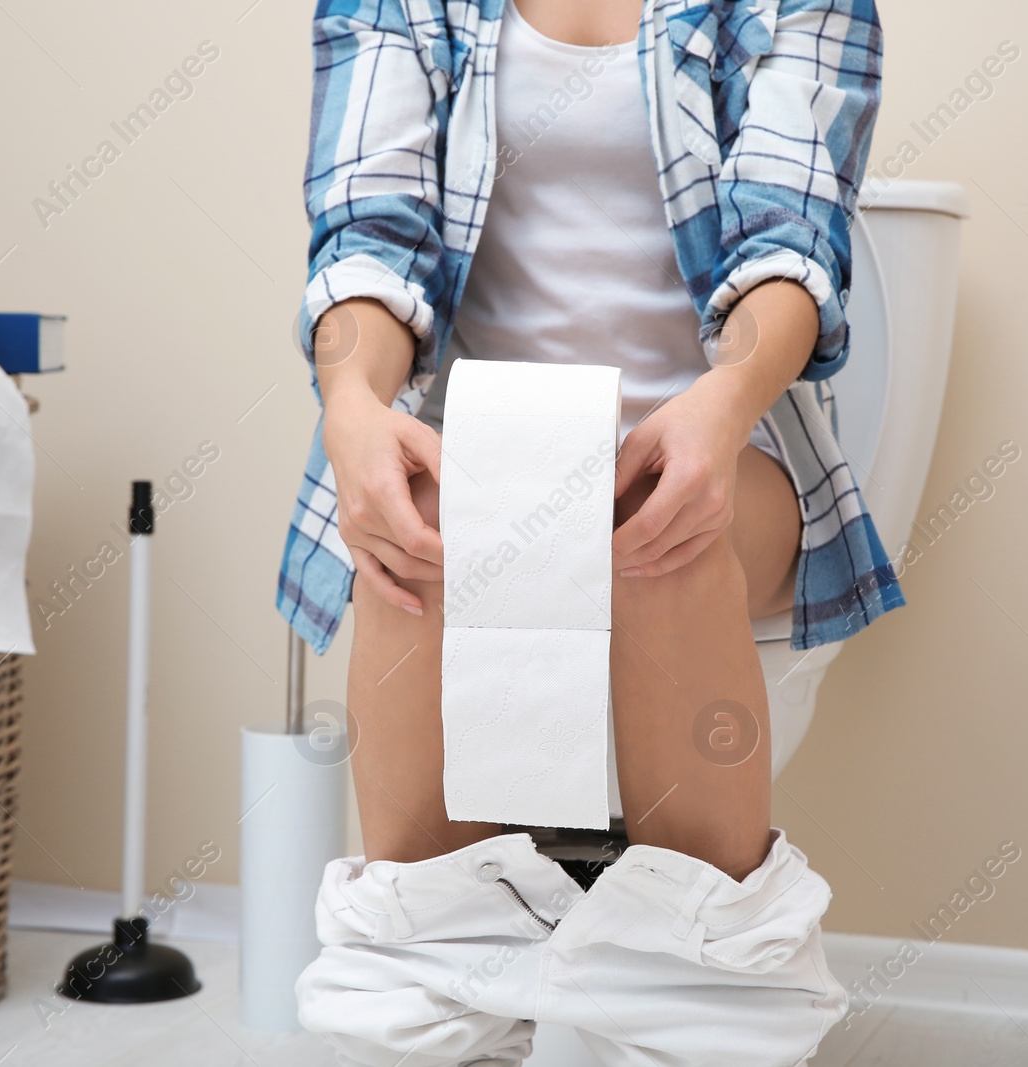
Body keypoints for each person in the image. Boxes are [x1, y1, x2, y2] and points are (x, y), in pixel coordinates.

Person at [278, 1, 894, 1063]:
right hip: (481, 458)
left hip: (718, 445)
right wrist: (352, 409)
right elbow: (370, 233)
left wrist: (728, 395)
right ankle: (446, 1010)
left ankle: (692, 1019)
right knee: (422, 535)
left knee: (654, 535)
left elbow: (792, 235)